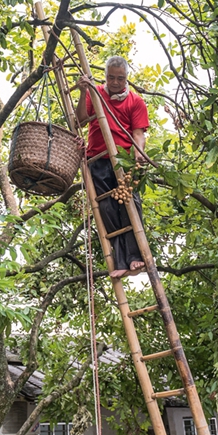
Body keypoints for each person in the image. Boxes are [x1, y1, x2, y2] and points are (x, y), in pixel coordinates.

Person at [75, 56, 149, 279]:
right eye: (111, 77)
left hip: (123, 160)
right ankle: (120, 260)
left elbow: (138, 133)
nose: (115, 82)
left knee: (129, 204)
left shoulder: (135, 101)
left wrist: (139, 152)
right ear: (105, 76)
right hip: (97, 158)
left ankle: (135, 256)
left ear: (126, 78)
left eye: (120, 78)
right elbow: (80, 120)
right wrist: (82, 92)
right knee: (106, 208)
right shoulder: (95, 92)